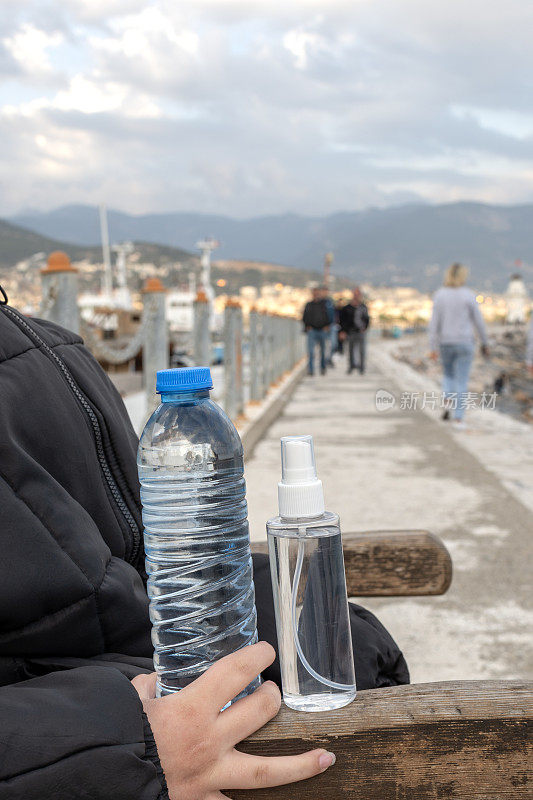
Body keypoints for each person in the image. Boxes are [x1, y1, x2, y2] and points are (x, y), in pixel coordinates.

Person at [0, 294, 408, 799]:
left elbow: (144, 558)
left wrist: (293, 609)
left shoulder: (47, 344)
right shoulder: (50, 352)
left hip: (150, 668)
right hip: (107, 730)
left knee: (360, 655)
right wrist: (128, 749)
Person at [428, 263, 489, 425]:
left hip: (445, 342)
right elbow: (479, 322)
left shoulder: (440, 295)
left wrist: (432, 347)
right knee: (461, 380)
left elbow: (434, 324)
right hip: (464, 342)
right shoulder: (468, 295)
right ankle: (458, 417)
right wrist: (485, 342)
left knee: (448, 374)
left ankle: (447, 399)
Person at [339, 288, 370, 374]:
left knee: (362, 351)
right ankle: (351, 367)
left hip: (361, 332)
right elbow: (342, 320)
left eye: (358, 294)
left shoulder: (363, 307)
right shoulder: (347, 308)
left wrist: (365, 328)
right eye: (355, 294)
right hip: (350, 332)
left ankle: (362, 368)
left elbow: (367, 319)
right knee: (350, 350)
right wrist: (343, 331)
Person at [302, 286, 330, 375]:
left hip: (322, 330)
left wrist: (327, 325)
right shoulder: (309, 305)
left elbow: (329, 316)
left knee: (323, 351)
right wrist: (307, 326)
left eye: (317, 293)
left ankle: (322, 367)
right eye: (314, 293)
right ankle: (311, 370)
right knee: (310, 351)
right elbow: (304, 316)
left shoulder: (324, 305)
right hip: (312, 330)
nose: (316, 294)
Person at [319, 286, 336, 367]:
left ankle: (329, 359)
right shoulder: (319, 302)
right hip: (323, 327)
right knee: (324, 346)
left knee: (333, 344)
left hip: (332, 326)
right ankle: (324, 361)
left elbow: (333, 313)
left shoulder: (330, 302)